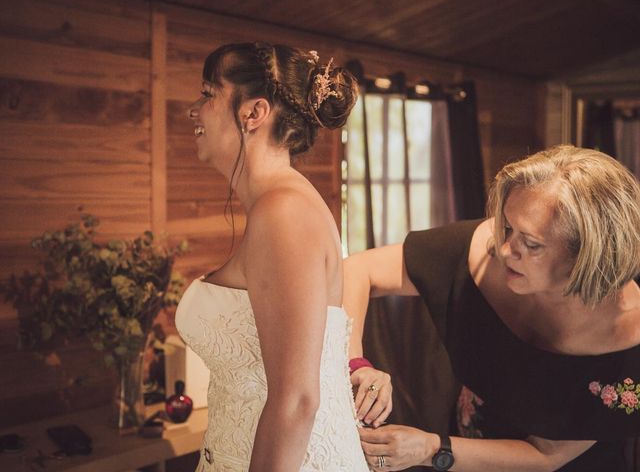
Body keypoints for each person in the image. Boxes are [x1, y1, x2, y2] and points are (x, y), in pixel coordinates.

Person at [344, 145, 640, 471]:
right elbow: (354, 272)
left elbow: (546, 456)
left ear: (588, 254)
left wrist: (432, 449)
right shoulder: (483, 254)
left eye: (531, 244)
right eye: (508, 228)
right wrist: (356, 364)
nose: (503, 249)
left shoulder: (629, 339)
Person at [174, 41, 389, 471]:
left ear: (253, 113)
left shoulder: (285, 212)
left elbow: (297, 400)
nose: (193, 110)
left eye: (207, 92)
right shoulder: (279, 206)